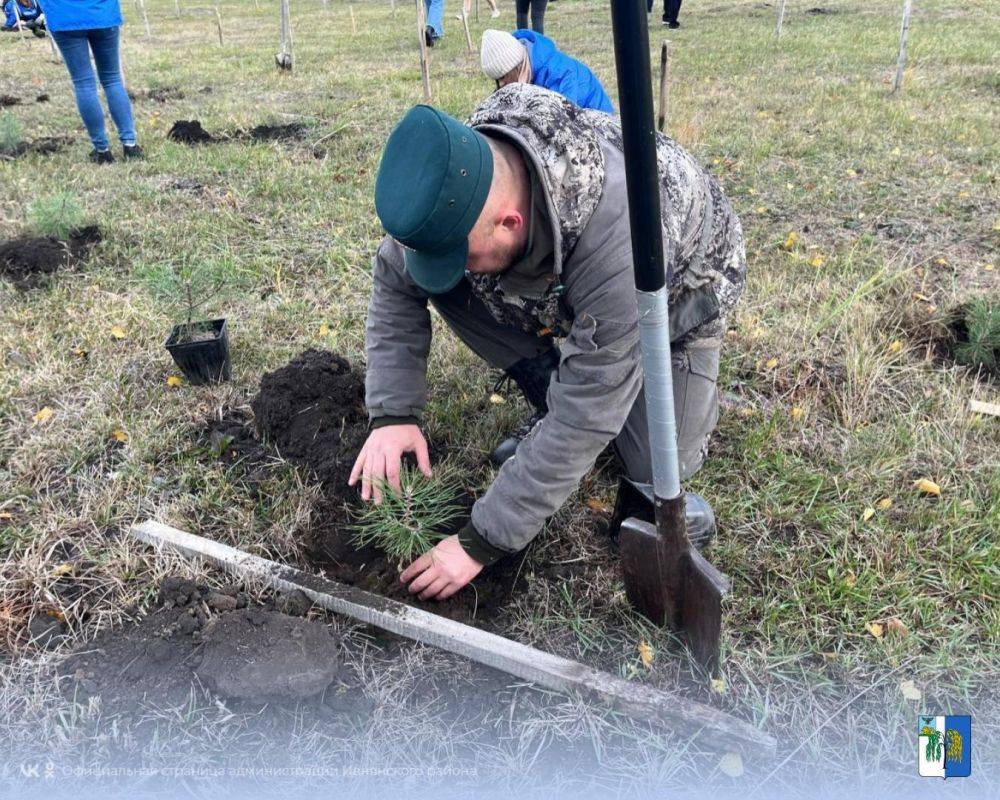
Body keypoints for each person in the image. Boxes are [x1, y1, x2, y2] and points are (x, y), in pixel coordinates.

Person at [350, 85, 746, 601]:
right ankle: (547, 380)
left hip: (677, 294)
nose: (455, 265)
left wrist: (480, 541)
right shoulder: (463, 186)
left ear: (510, 222)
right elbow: (396, 273)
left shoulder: (616, 241)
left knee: (650, 461)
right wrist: (392, 414)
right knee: (449, 280)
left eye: (462, 253)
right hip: (564, 276)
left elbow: (588, 408)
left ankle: (665, 385)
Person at [38, 0, 142, 163]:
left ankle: (102, 151)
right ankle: (130, 145)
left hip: (64, 16)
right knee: (112, 79)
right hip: (103, 13)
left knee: (83, 83)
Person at [480, 29, 613, 113]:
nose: (501, 84)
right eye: (497, 80)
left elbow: (564, 119)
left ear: (516, 66)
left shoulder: (560, 74)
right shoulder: (527, 72)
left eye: (503, 76)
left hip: (598, 125)